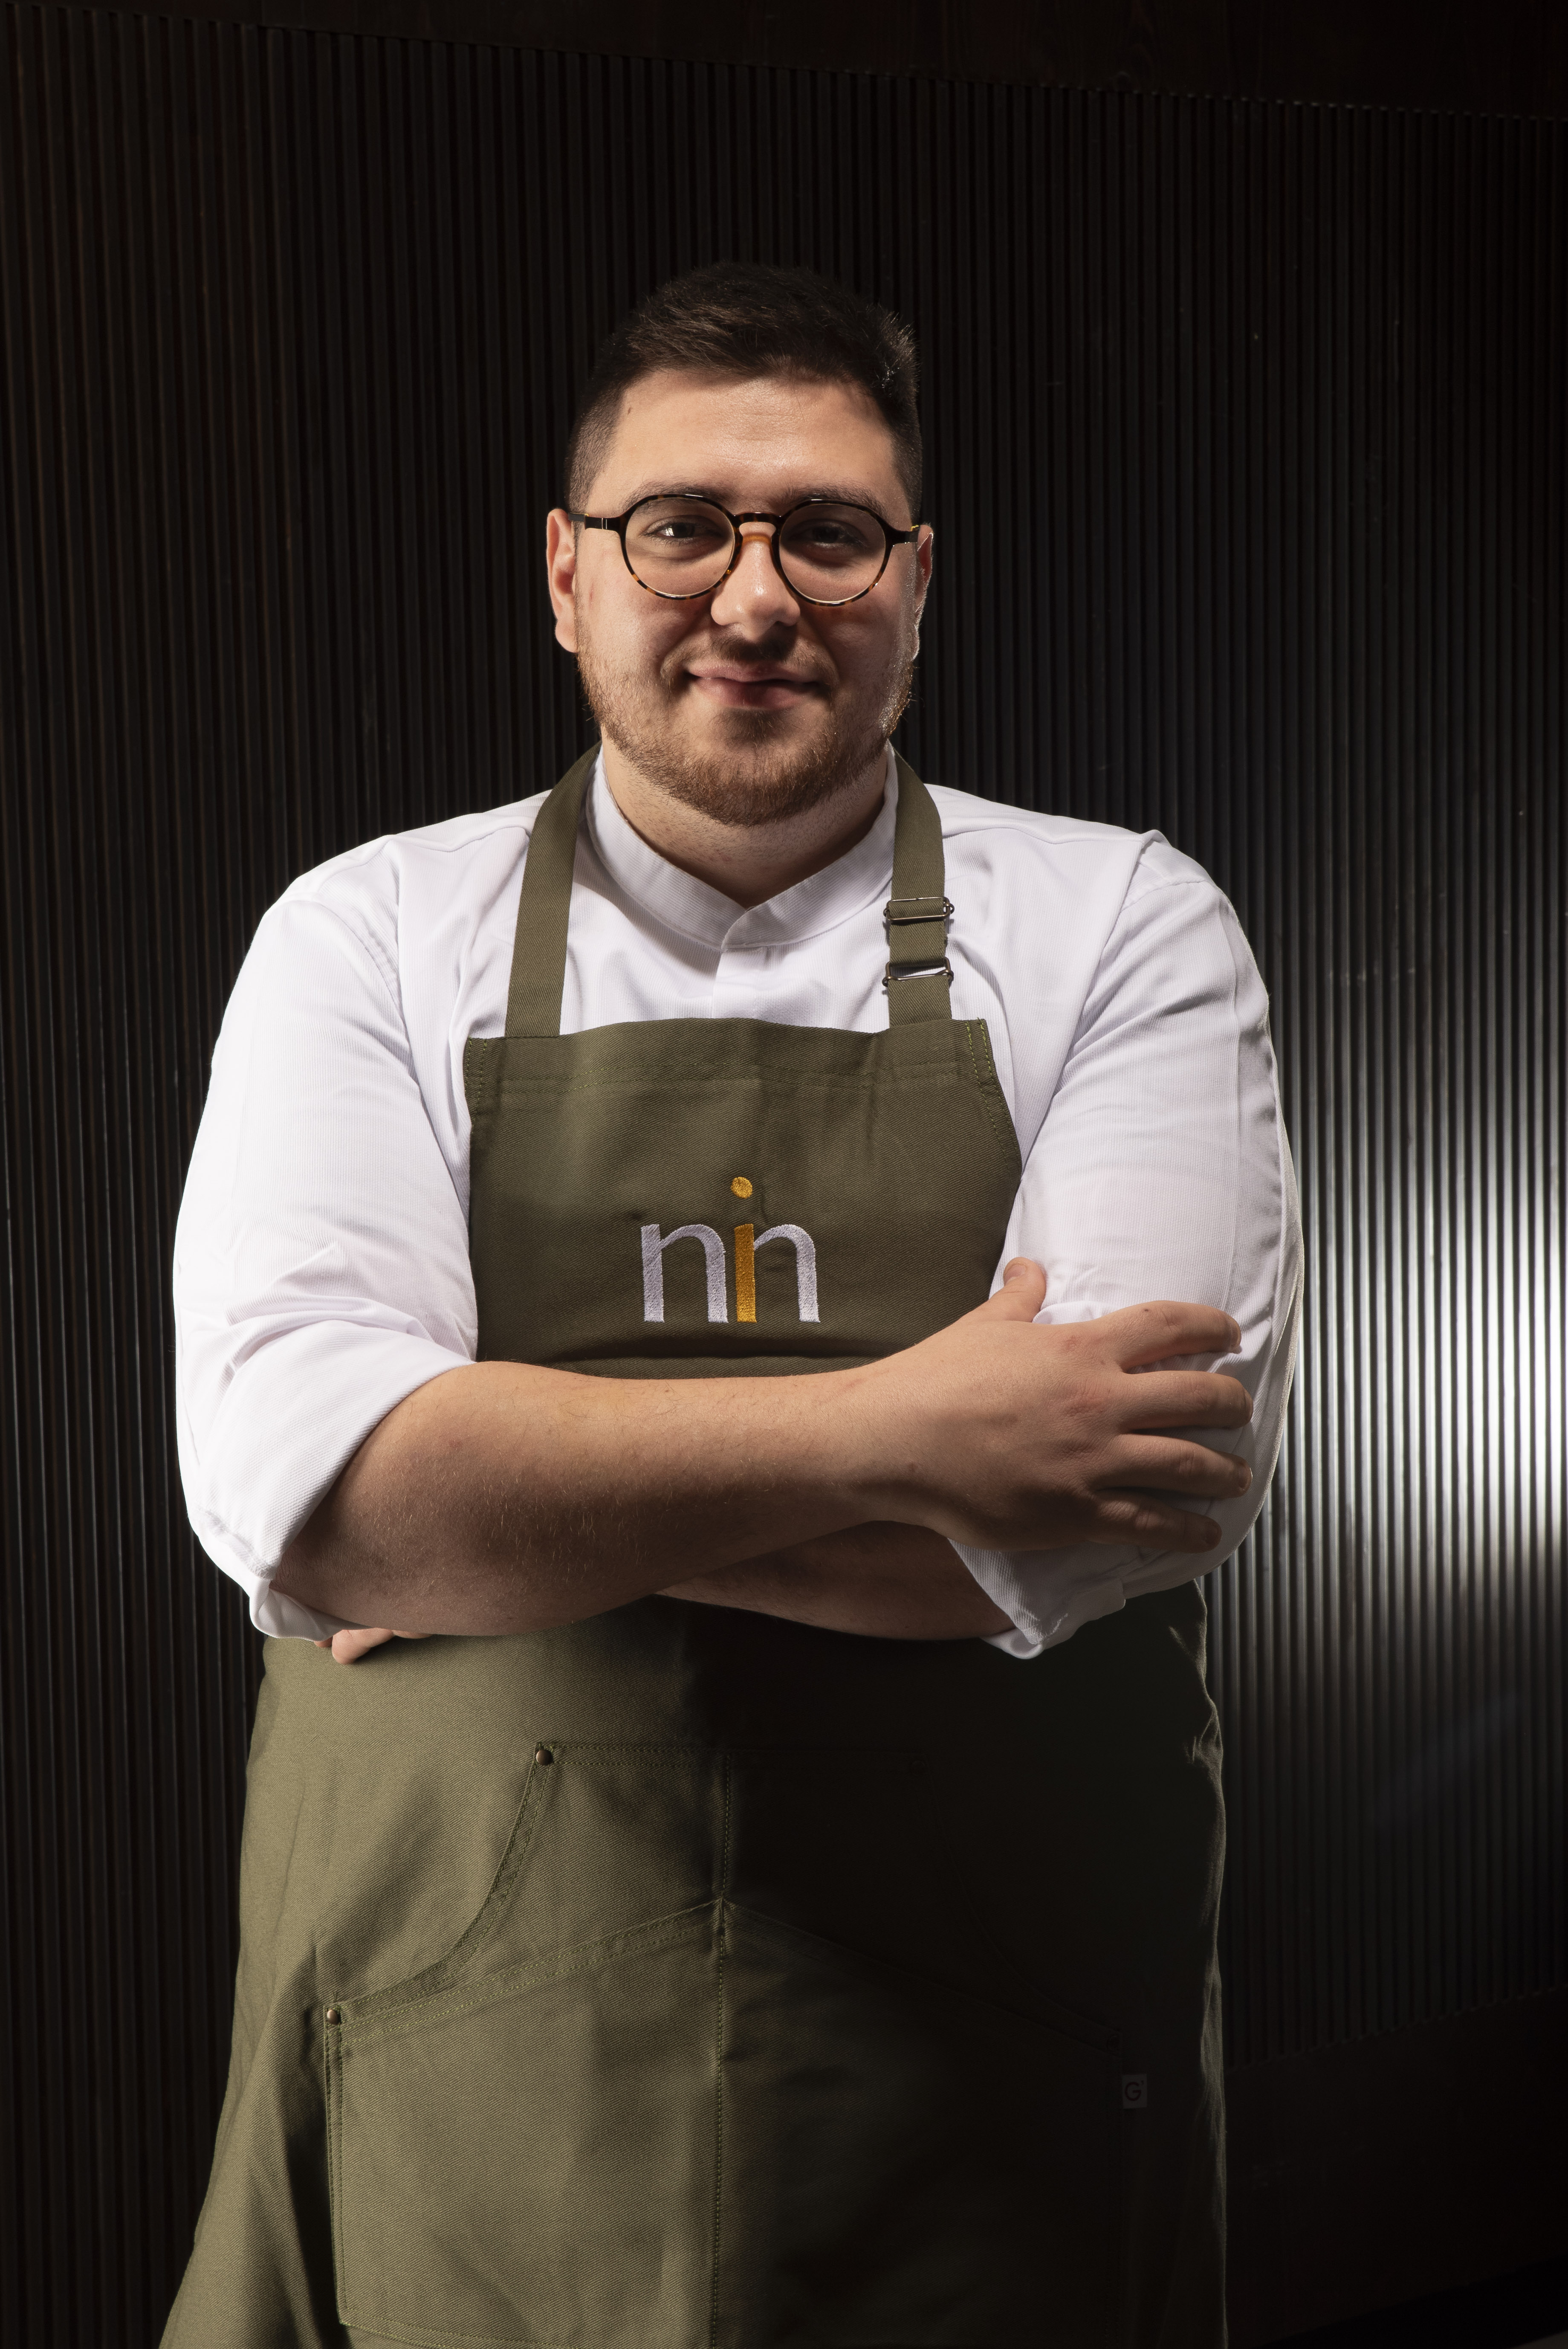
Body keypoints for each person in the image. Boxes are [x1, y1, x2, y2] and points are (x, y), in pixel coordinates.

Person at [165, 262, 1300, 2349]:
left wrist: (500, 1501)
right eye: (680, 526)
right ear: (567, 575)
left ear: (913, 583)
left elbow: (1105, 1503)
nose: (755, 596)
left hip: (992, 2023)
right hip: (448, 2006)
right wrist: (906, 1432)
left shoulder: (1121, 923)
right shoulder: (366, 933)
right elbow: (318, 1496)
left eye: (829, 533)